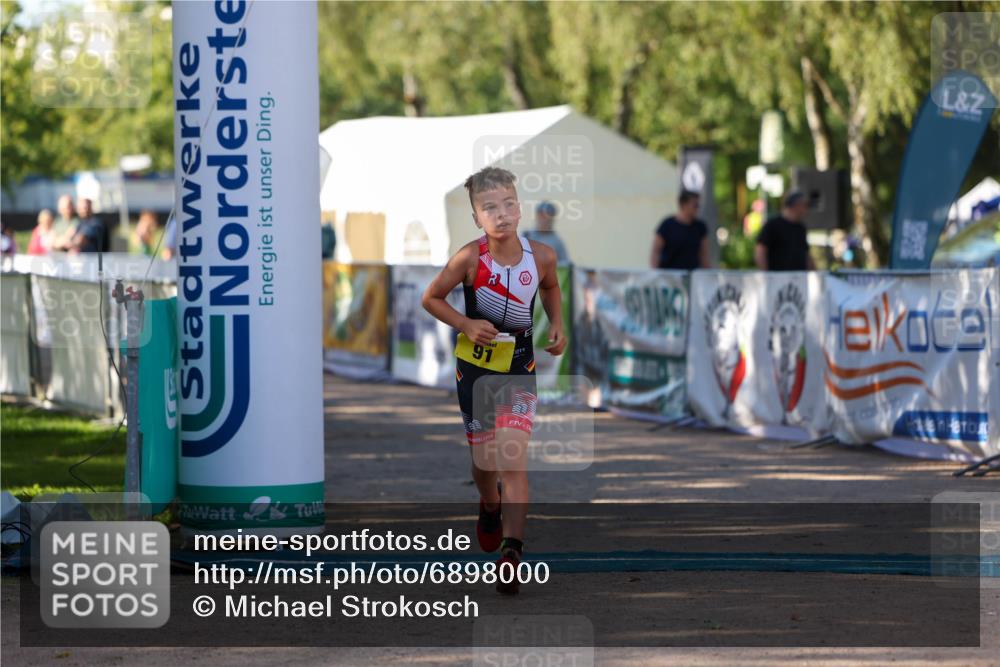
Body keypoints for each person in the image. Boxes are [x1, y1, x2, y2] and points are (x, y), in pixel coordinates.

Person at [422, 166, 566, 595]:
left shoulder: (541, 255)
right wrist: (465, 324)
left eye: (507, 204)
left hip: (519, 369)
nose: (500, 214)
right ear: (477, 218)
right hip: (476, 371)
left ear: (519, 208)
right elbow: (430, 298)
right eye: (489, 208)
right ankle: (489, 504)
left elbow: (551, 287)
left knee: (512, 460)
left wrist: (557, 323)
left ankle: (511, 551)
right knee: (485, 464)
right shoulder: (468, 259)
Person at [754, 190, 815, 271]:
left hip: (799, 278)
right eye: (804, 205)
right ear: (796, 205)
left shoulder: (801, 228)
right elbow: (760, 251)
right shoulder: (772, 225)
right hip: (777, 278)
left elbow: (806, 254)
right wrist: (766, 275)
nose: (806, 209)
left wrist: (815, 272)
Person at [650, 190, 709, 270]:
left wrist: (710, 274)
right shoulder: (667, 225)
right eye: (695, 205)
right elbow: (655, 251)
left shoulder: (700, 227)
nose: (697, 208)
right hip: (669, 275)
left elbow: (704, 255)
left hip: (691, 276)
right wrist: (656, 272)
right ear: (684, 205)